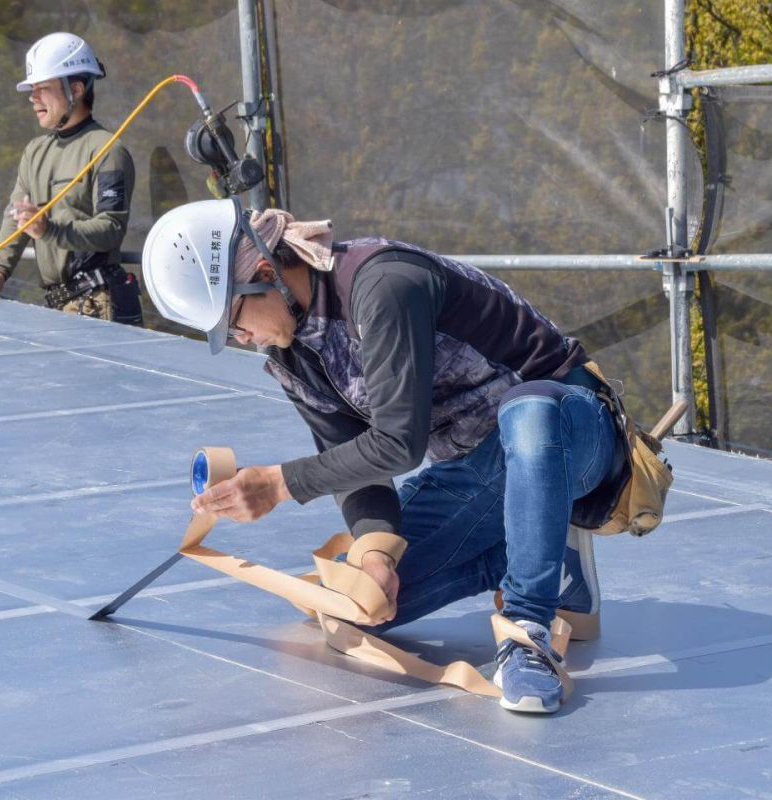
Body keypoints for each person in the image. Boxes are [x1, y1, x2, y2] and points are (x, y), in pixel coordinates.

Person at [141, 198, 629, 714]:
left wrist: (279, 484)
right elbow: (350, 459)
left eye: (235, 321)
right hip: (476, 470)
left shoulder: (381, 284)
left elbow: (398, 442)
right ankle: (547, 554)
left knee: (528, 410)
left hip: (568, 435)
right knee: (357, 608)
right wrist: (376, 558)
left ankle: (528, 629)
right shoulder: (288, 354)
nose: (243, 339)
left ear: (266, 273)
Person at [0, 32, 142, 326]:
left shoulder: (107, 149)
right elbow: (16, 219)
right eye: (32, 89)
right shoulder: (35, 151)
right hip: (56, 306)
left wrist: (50, 229)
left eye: (43, 88)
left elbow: (111, 228)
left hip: (99, 306)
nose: (32, 97)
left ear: (75, 89)